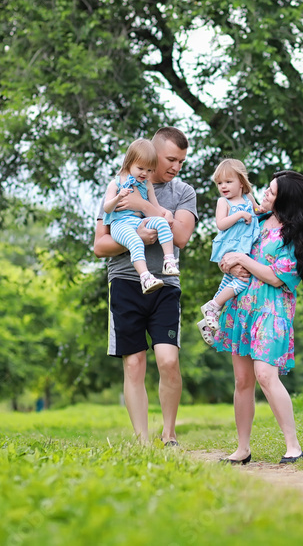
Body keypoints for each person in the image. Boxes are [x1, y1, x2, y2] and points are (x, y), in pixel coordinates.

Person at [209, 170, 303, 464]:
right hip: (241, 308)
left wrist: (244, 260)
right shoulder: (256, 220)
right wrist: (228, 266)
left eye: (272, 193)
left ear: (286, 199)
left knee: (265, 375)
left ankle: (293, 445)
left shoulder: (296, 233)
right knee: (242, 379)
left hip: (272, 310)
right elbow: (228, 251)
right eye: (268, 190)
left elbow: (277, 277)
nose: (264, 195)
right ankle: (242, 448)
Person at [93, 127, 197, 446]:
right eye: (170, 159)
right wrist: (135, 238)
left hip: (165, 285)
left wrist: (145, 206)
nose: (176, 166)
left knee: (167, 359)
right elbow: (100, 245)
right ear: (150, 153)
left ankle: (169, 433)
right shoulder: (118, 184)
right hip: (125, 281)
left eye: (181, 161)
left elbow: (180, 236)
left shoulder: (184, 192)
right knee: (134, 362)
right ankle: (142, 440)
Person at [102, 138, 180, 294]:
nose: (145, 173)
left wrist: (167, 213)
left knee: (160, 222)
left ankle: (169, 261)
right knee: (136, 241)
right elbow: (107, 208)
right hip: (120, 224)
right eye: (141, 168)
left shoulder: (147, 185)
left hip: (138, 222)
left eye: (150, 170)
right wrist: (118, 197)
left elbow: (155, 207)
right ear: (129, 162)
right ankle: (145, 277)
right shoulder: (115, 184)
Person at [197, 159, 260, 345]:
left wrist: (263, 209)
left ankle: (207, 322)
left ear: (241, 181)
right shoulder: (223, 202)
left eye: (228, 182)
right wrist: (240, 215)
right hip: (231, 248)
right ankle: (212, 306)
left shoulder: (248, 198)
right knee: (242, 281)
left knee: (228, 284)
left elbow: (258, 210)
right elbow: (221, 224)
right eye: (219, 183)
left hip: (245, 247)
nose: (223, 186)